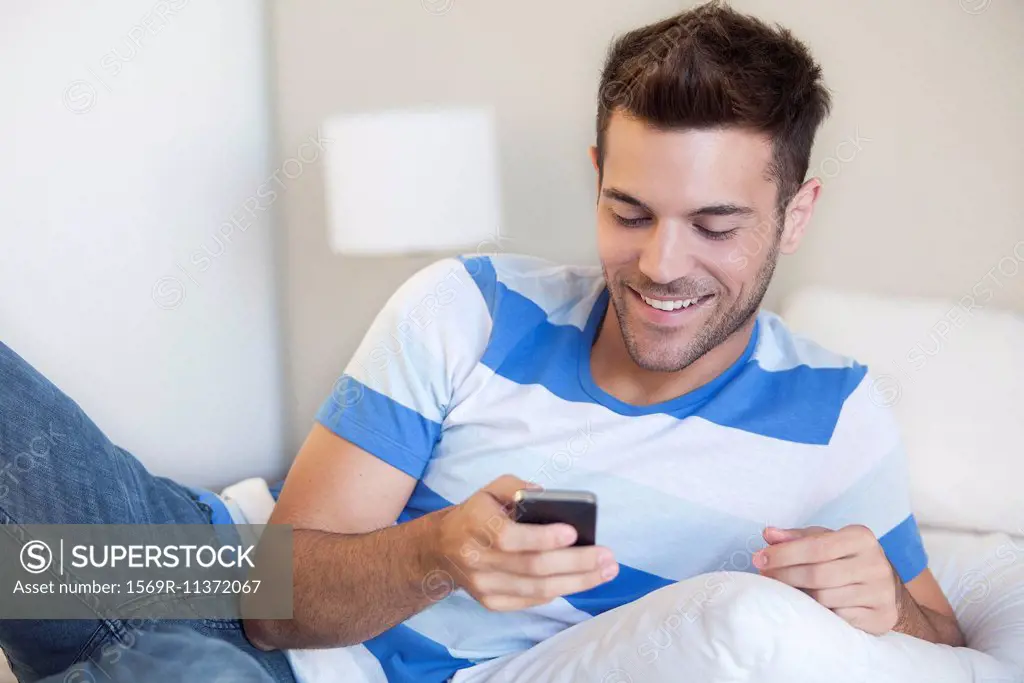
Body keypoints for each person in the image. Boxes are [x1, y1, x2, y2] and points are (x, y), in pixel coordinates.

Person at [0, 2, 965, 682]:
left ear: (796, 215)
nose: (662, 264)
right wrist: (433, 552)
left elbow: (951, 648)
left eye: (716, 225)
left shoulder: (838, 417)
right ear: (595, 175)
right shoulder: (466, 306)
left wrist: (887, 604)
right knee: (50, 557)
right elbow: (268, 597)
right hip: (206, 576)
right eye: (628, 210)